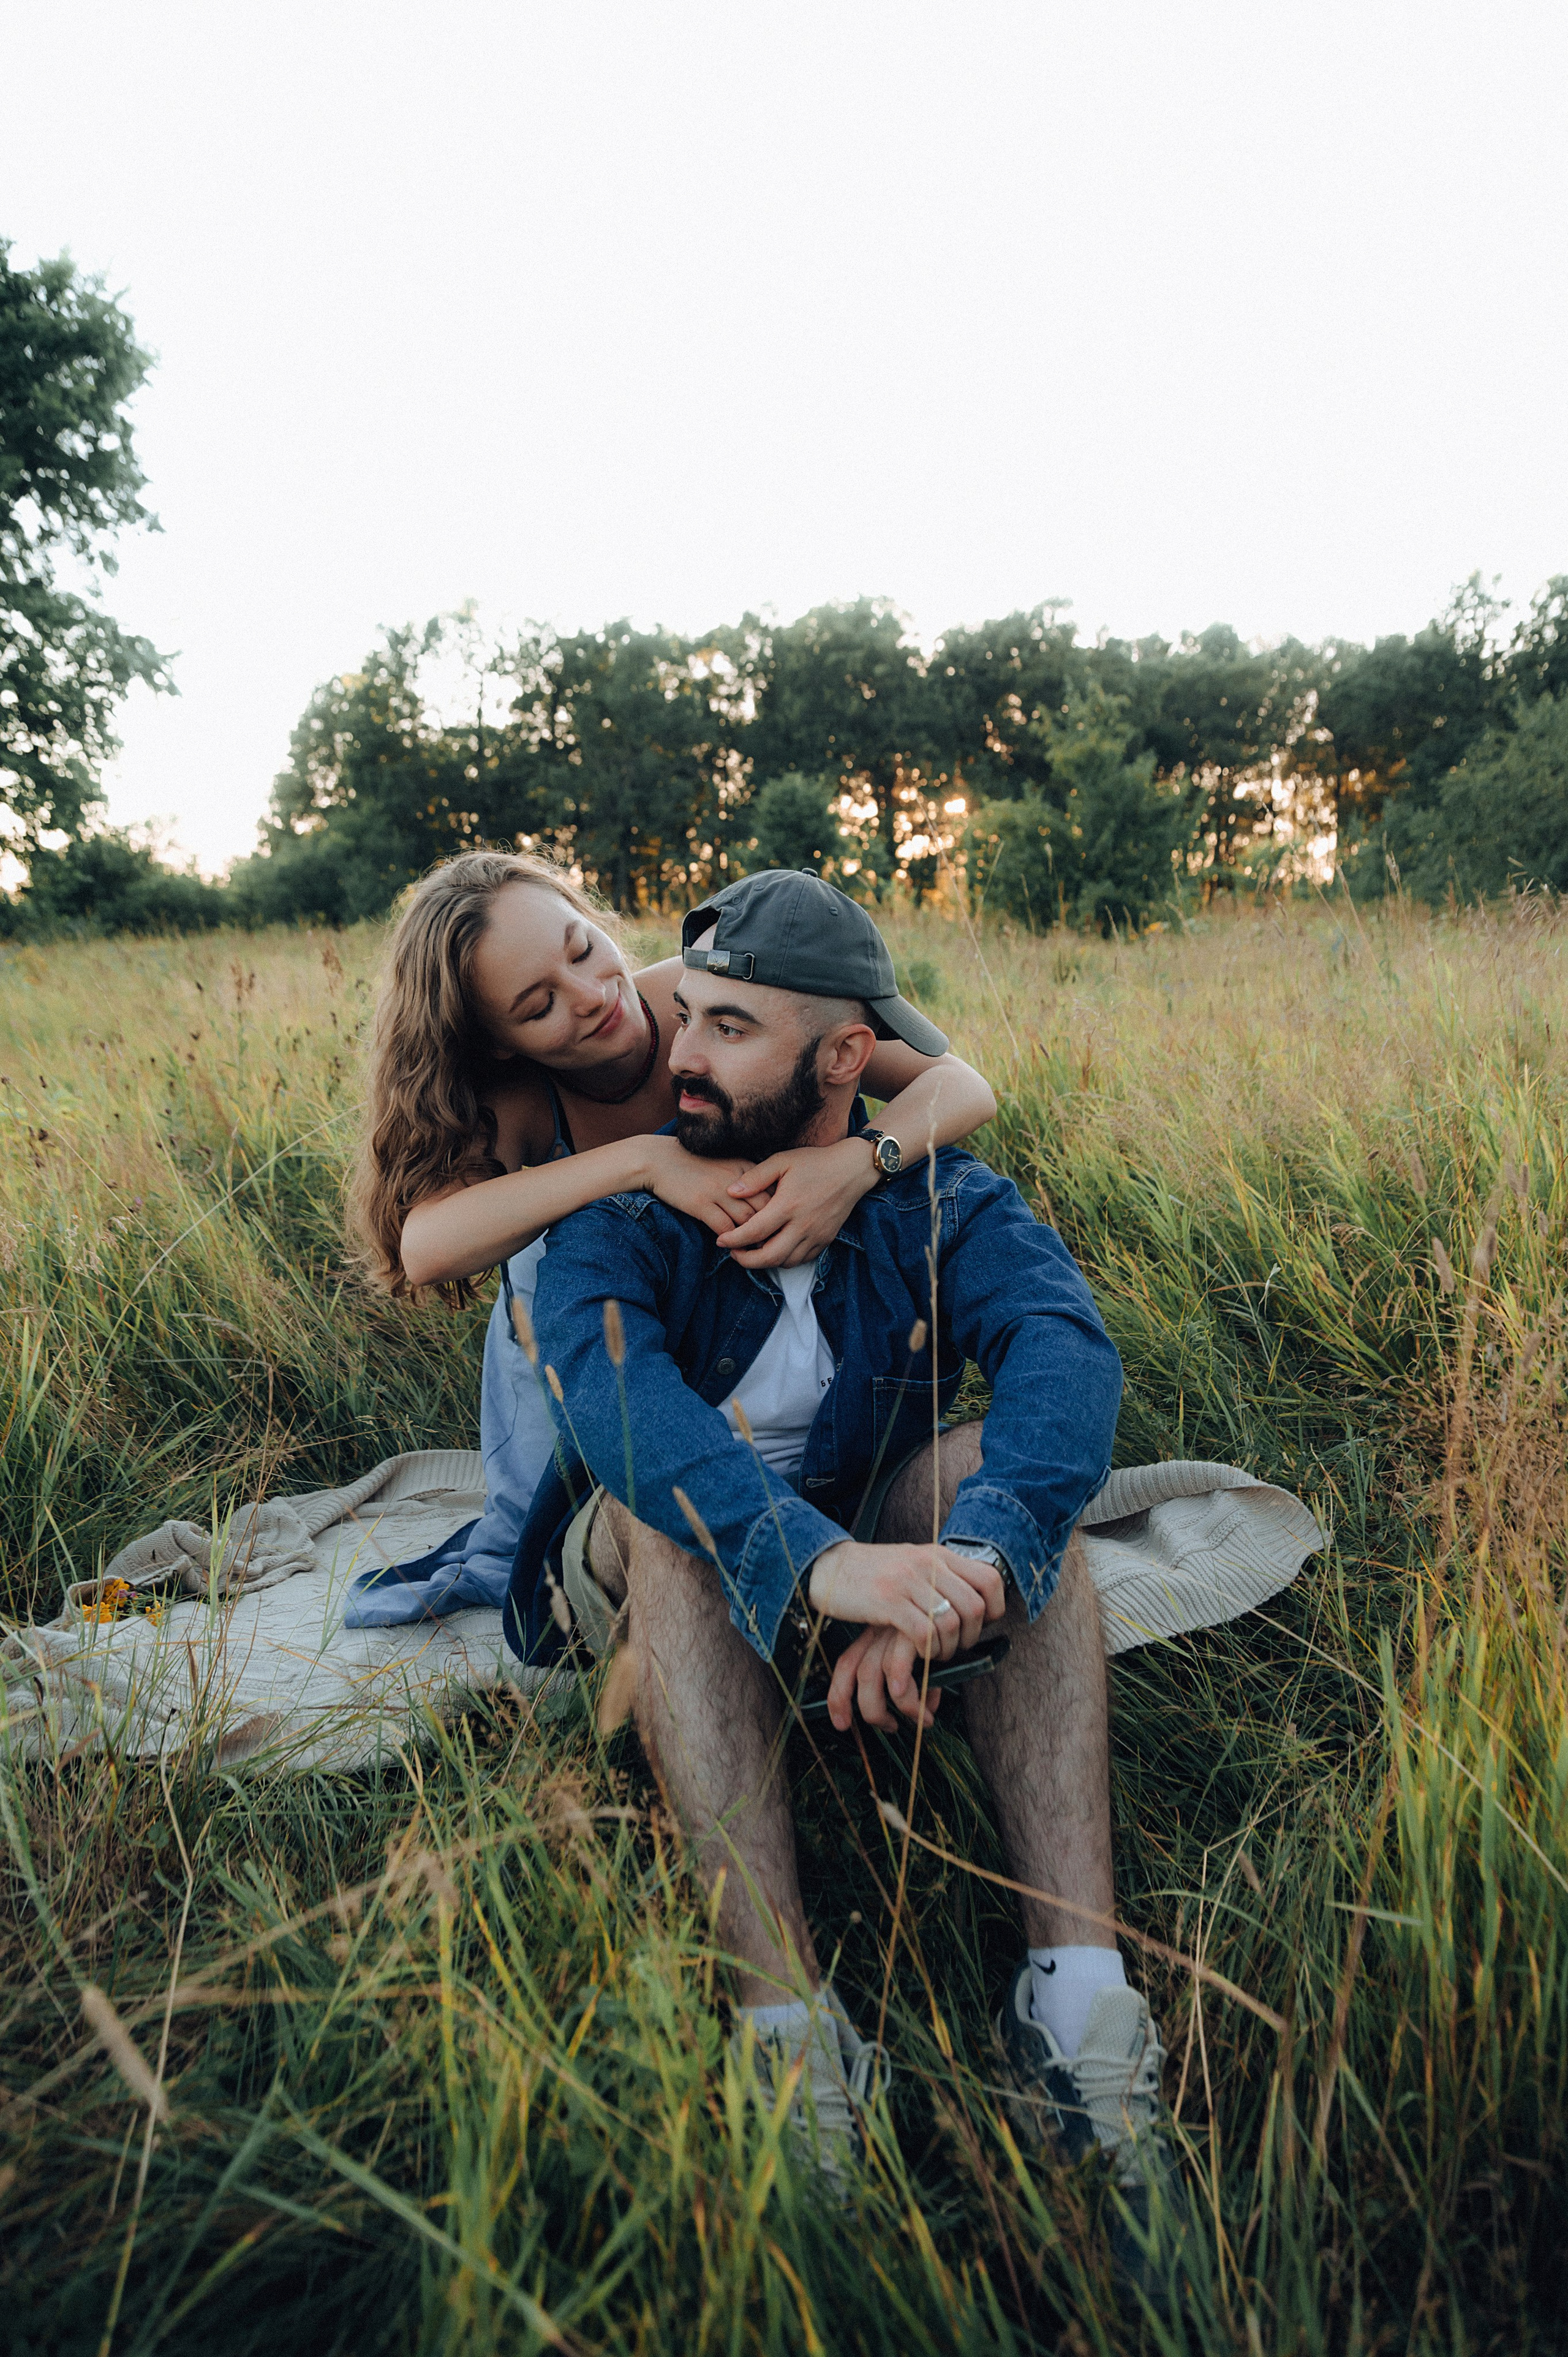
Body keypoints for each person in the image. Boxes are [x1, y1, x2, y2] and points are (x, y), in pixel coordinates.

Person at [505, 868, 1178, 2253]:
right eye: (686, 1013)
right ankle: (791, 2036)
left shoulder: (936, 1194)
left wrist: (971, 1565)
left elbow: (1062, 1350)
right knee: (675, 1515)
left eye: (727, 1028)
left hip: (866, 1511)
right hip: (656, 1552)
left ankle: (1078, 2005)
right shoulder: (626, 1210)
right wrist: (818, 1569)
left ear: (842, 1058)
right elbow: (627, 1410)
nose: (676, 1054)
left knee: (996, 1476)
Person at [344, 851, 997, 1623]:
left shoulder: (699, 993)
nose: (592, 995)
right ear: (495, 1043)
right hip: (595, 1362)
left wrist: (855, 1163)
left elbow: (962, 1084)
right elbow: (427, 1246)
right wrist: (643, 1161)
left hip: (758, 1325)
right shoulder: (518, 1101)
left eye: (583, 948)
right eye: (537, 1004)